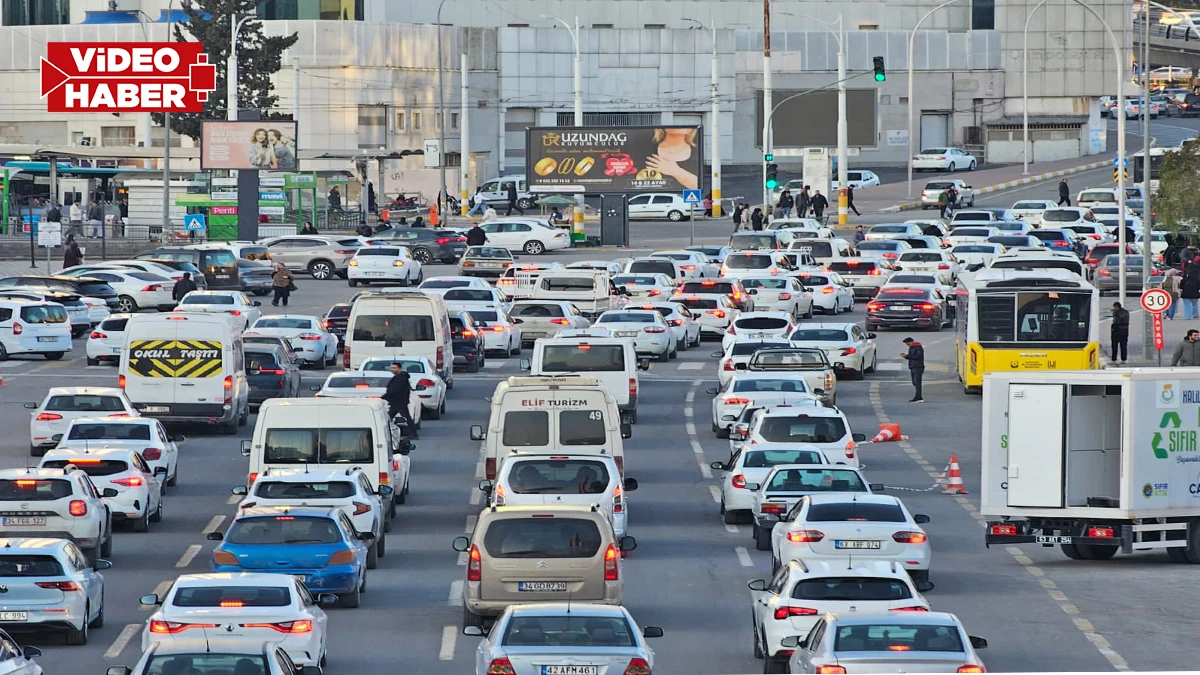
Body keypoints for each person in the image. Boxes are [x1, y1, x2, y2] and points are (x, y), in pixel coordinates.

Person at [383, 362, 418, 438]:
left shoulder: (401, 378)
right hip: (397, 402)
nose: (392, 369)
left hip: (399, 402)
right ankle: (413, 434)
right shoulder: (400, 377)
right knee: (389, 417)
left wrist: (385, 396)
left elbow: (395, 390)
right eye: (391, 368)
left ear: (399, 368)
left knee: (390, 418)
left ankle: (414, 434)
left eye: (394, 368)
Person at [901, 337, 925, 403]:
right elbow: (912, 358)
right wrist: (906, 356)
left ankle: (918, 397)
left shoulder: (918, 348)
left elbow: (918, 357)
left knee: (917, 383)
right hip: (913, 367)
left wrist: (907, 356)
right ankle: (918, 396)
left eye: (908, 344)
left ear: (912, 342)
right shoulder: (911, 348)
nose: (908, 345)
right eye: (907, 344)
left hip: (918, 367)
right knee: (914, 382)